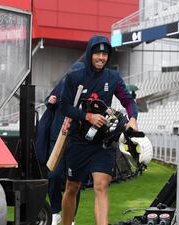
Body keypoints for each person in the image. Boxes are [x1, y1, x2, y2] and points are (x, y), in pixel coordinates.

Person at [60, 35, 138, 225]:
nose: (101, 57)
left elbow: (128, 101)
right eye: (97, 53)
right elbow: (64, 106)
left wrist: (133, 119)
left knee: (101, 187)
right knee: (72, 187)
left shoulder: (113, 77)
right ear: (90, 54)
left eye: (105, 54)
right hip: (78, 140)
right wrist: (87, 117)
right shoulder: (75, 77)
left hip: (103, 142)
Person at [36, 80, 81, 225]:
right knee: (53, 176)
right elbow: (49, 100)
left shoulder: (88, 88)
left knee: (73, 182)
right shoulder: (63, 84)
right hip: (56, 139)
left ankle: (71, 218)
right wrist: (50, 101)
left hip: (76, 141)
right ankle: (55, 212)